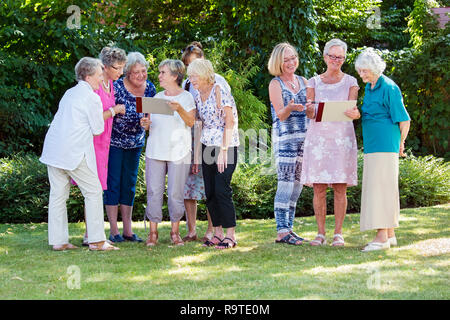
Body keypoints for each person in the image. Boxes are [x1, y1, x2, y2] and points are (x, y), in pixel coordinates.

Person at [40, 57, 119, 251]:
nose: (102, 78)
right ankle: (97, 241)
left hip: (53, 150)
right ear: (89, 75)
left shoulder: (69, 93)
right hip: (72, 151)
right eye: (100, 74)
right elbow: (98, 128)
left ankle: (59, 242)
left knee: (58, 195)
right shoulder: (92, 97)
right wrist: (112, 112)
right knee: (93, 191)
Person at [301, 38, 360, 247]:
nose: (336, 60)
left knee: (339, 187)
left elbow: (353, 110)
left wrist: (354, 113)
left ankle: (338, 233)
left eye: (340, 57)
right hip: (318, 141)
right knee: (318, 187)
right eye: (333, 56)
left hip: (341, 140)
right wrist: (308, 108)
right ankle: (320, 233)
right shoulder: (313, 82)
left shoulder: (351, 82)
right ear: (325, 57)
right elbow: (309, 111)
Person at [355, 48, 410, 252]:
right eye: (360, 71)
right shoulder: (371, 87)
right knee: (381, 188)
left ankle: (381, 238)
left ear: (375, 69)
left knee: (380, 190)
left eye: (365, 71)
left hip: (385, 146)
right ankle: (389, 233)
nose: (362, 75)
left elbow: (404, 120)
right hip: (373, 146)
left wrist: (400, 144)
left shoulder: (389, 86)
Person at [141, 59, 196, 246]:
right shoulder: (156, 97)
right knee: (154, 191)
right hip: (155, 151)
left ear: (175, 76)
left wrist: (179, 108)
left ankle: (175, 232)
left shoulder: (187, 98)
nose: (159, 76)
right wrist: (145, 125)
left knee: (175, 193)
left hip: (179, 152)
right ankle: (153, 234)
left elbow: (190, 122)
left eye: (163, 72)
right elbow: (149, 123)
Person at [180, 41, 231, 242]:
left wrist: (225, 146)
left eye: (195, 64)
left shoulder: (219, 83)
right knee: (191, 185)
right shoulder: (186, 84)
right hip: (192, 136)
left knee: (214, 185)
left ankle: (213, 229)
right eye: (188, 66)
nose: (191, 70)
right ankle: (191, 229)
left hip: (213, 138)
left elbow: (227, 116)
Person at [103, 52, 157, 243]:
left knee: (130, 185)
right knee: (113, 184)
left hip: (136, 143)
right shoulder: (116, 87)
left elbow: (152, 115)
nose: (141, 75)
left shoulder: (150, 88)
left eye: (144, 71)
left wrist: (148, 123)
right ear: (127, 73)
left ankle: (128, 230)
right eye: (136, 72)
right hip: (114, 143)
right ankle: (114, 230)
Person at [187, 58, 240, 249]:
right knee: (209, 191)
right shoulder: (198, 94)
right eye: (190, 76)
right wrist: (196, 155)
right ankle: (217, 233)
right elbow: (199, 125)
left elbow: (230, 122)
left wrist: (224, 151)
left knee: (221, 189)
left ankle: (230, 235)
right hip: (207, 146)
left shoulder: (219, 89)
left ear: (204, 74)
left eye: (195, 75)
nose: (192, 79)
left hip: (226, 146)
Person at [79, 47, 127, 246]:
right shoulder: (95, 87)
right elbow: (93, 118)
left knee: (98, 187)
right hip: (93, 141)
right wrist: (114, 110)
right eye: (118, 68)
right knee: (93, 187)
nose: (121, 72)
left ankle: (93, 233)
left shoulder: (111, 84)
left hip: (106, 143)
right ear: (105, 67)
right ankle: (91, 234)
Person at [268, 42, 310, 246]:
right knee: (285, 184)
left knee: (297, 186)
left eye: (293, 57)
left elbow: (312, 109)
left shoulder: (304, 80)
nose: (291, 62)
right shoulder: (275, 84)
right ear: (278, 62)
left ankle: (289, 228)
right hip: (285, 139)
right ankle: (281, 231)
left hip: (304, 139)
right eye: (286, 60)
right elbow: (280, 115)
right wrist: (290, 107)